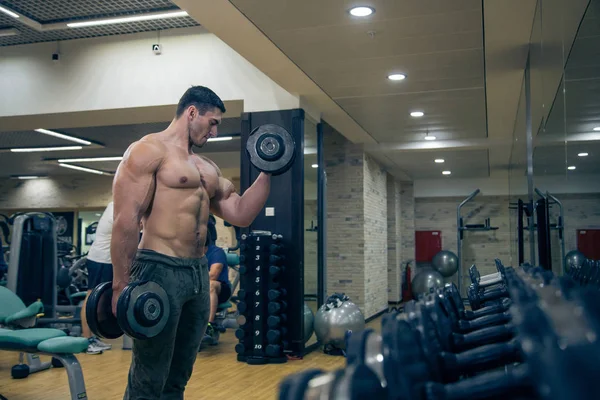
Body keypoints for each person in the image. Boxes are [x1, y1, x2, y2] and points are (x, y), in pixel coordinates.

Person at [111, 85, 271, 400]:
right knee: (150, 375)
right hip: (158, 268)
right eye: (212, 122)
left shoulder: (207, 168)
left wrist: (270, 167)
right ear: (192, 112)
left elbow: (241, 214)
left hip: (197, 274)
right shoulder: (147, 151)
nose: (214, 131)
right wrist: (120, 286)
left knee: (180, 374)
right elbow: (126, 221)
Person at [80, 202, 114, 354]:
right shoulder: (117, 206)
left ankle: (93, 337)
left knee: (100, 303)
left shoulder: (117, 205)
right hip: (101, 259)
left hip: (107, 259)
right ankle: (86, 340)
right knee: (92, 297)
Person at [203, 220, 231, 341]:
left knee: (211, 284)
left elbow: (213, 275)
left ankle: (209, 325)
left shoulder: (216, 252)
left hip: (221, 290)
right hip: (196, 289)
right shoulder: (189, 254)